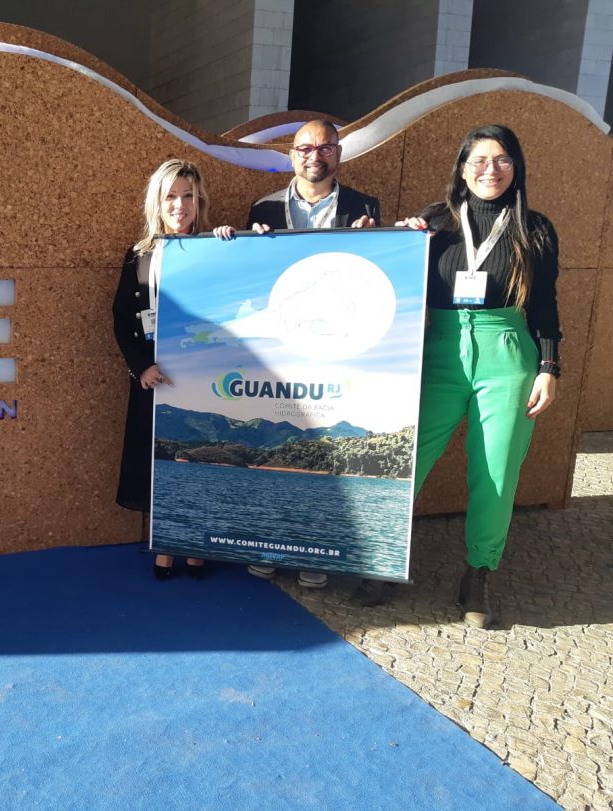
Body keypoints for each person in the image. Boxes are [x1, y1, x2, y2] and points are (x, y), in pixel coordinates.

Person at [359, 123, 560, 628]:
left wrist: (548, 366)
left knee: (496, 473)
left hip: (507, 353)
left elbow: (544, 303)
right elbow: (392, 280)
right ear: (463, 168)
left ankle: (479, 573)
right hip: (439, 351)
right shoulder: (434, 221)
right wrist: (389, 242)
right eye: (479, 160)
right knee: (405, 459)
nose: (490, 170)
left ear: (516, 167)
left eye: (502, 159)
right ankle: (383, 559)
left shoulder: (535, 228)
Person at [219, 119, 380, 589]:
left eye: (325, 147)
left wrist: (378, 239)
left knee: (324, 454)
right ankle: (269, 542)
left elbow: (375, 274)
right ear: (292, 154)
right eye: (305, 148)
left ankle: (315, 550)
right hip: (278, 354)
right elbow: (249, 279)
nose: (315, 156)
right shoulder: (264, 207)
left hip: (335, 355)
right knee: (270, 445)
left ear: (338, 153)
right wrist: (242, 242)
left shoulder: (365, 207)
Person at [112, 158, 231, 580]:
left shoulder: (217, 248)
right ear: (157, 203)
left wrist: (232, 249)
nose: (180, 205)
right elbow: (121, 318)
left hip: (202, 381)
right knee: (160, 465)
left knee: (195, 463)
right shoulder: (139, 255)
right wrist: (140, 368)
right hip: (156, 380)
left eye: (188, 196)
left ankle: (195, 546)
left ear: (200, 202)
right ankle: (165, 546)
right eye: (171, 197)